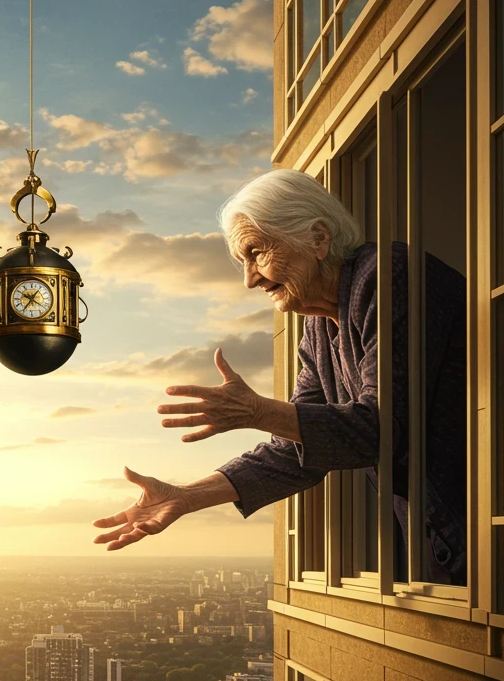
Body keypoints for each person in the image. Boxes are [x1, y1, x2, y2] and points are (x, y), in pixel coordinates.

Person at [92, 168, 467, 584]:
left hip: (492, 523)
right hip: (439, 540)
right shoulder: (319, 329)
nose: (251, 279)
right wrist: (185, 497)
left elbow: (377, 431)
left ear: (318, 239)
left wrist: (256, 412)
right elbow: (296, 447)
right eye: (242, 262)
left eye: (255, 253)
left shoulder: (385, 276)